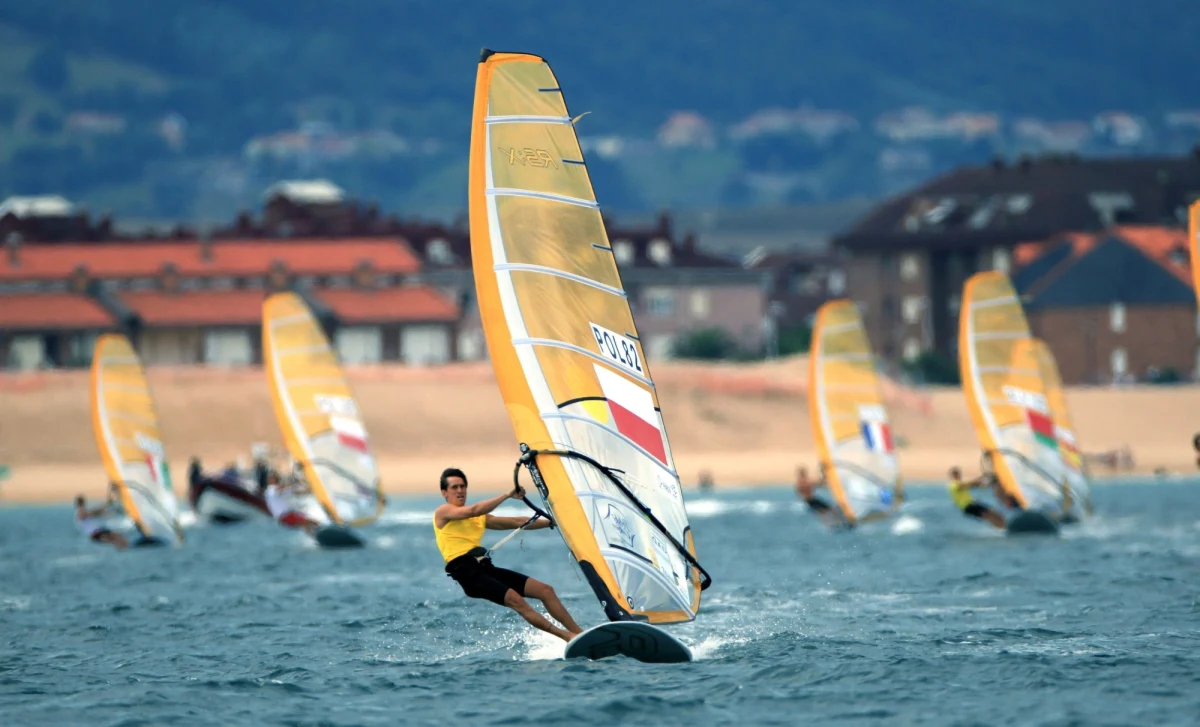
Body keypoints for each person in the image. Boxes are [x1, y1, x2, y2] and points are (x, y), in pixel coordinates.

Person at [434, 467, 582, 643]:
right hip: (467, 573)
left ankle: (580, 634)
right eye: (454, 487)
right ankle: (567, 637)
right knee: (516, 599)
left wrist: (553, 523)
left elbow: (516, 521)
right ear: (444, 492)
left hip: (485, 569)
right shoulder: (443, 512)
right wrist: (506, 495)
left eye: (462, 486)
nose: (460, 490)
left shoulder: (479, 518)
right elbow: (473, 510)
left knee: (545, 590)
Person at [264, 470, 321, 535]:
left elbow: (294, 492)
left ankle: (315, 534)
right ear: (270, 480)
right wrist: (294, 483)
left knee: (305, 522)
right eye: (274, 478)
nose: (277, 479)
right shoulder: (270, 490)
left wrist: (307, 490)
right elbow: (281, 488)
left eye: (276, 478)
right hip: (284, 516)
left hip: (287, 515)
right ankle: (321, 530)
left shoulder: (278, 491)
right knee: (307, 521)